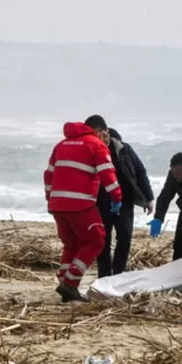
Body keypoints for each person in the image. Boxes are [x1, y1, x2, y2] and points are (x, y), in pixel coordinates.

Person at [44, 115, 123, 303]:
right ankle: (71, 283)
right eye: (105, 134)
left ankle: (64, 281)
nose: (106, 139)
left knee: (71, 245)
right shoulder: (95, 144)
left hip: (57, 204)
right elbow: (107, 174)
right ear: (100, 131)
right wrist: (117, 197)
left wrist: (50, 198)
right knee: (96, 240)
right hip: (81, 204)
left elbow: (48, 175)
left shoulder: (62, 145)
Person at [96, 126, 154, 278]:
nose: (104, 139)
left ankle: (118, 273)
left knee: (125, 235)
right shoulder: (93, 150)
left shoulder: (124, 149)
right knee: (103, 240)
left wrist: (149, 198)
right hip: (100, 201)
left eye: (106, 136)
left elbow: (140, 171)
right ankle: (103, 276)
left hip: (125, 200)